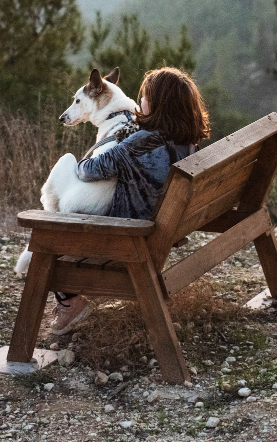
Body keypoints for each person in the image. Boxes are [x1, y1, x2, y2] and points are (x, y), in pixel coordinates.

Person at [51, 67, 210, 334]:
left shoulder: (141, 143)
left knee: (51, 237)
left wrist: (109, 145)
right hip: (166, 227)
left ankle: (69, 304)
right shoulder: (190, 142)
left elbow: (88, 170)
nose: (141, 102)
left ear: (158, 105)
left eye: (145, 96)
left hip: (130, 233)